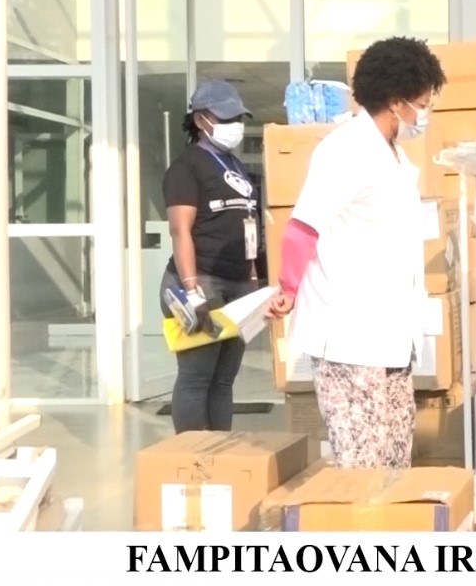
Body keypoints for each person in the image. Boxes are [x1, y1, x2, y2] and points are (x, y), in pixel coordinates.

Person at [265, 37, 447, 469]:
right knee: (363, 466)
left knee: (395, 460)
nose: (424, 115)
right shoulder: (346, 149)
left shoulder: (394, 157)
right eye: (422, 104)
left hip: (391, 335)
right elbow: (302, 228)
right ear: (397, 102)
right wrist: (288, 288)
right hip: (350, 335)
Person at [161, 80, 258, 434]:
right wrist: (192, 290)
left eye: (238, 118)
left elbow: (247, 224)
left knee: (223, 379)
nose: (235, 125)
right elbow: (180, 231)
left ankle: (219, 451)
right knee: (197, 376)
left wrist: (252, 278)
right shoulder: (186, 167)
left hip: (236, 284)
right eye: (226, 118)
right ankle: (192, 455)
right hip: (199, 281)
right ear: (201, 119)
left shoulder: (233, 164)